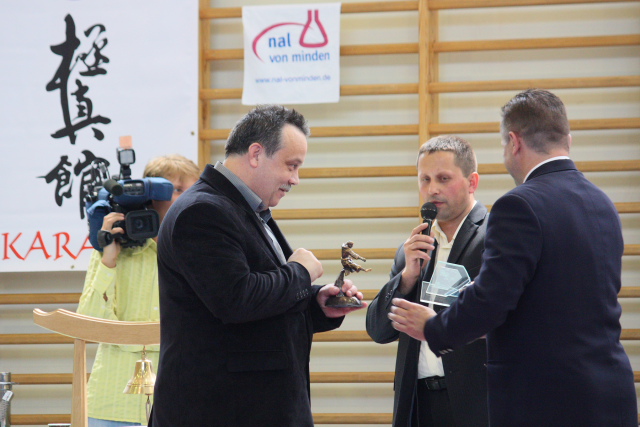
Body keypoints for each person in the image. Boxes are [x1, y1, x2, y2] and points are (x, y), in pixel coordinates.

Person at [389, 89, 637, 427]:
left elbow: (491, 302)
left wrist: (434, 328)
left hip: (545, 400)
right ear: (567, 139)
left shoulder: (519, 205)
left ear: (514, 142)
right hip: (610, 393)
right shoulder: (602, 203)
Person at [150, 105, 366, 427]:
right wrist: (301, 273)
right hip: (221, 410)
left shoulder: (245, 209)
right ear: (255, 154)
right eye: (291, 166)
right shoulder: (201, 212)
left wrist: (315, 302)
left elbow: (263, 302)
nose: (295, 179)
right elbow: (237, 299)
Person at [366, 135, 489, 427]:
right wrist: (407, 277)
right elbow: (379, 330)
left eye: (444, 178)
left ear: (472, 182)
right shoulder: (413, 247)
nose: (432, 189)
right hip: (418, 403)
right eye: (425, 179)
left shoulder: (495, 238)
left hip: (476, 402)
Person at [77, 154, 200, 427]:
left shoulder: (200, 251)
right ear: (149, 196)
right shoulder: (113, 248)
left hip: (179, 402)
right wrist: (108, 257)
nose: (187, 199)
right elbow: (89, 324)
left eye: (193, 191)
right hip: (112, 404)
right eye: (176, 189)